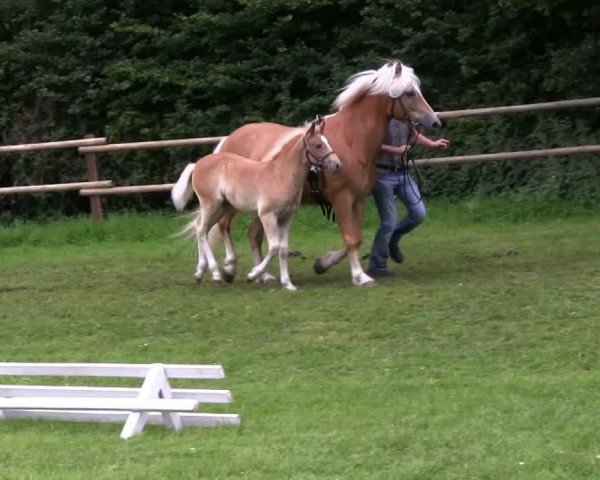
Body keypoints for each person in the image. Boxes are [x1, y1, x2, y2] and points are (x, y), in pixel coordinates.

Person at [367, 119, 450, 277]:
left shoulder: (407, 118)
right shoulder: (380, 118)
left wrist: (432, 144)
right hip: (382, 174)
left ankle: (392, 239)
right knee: (388, 222)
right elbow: (370, 144)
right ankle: (377, 266)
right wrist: (396, 151)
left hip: (403, 173)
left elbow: (413, 136)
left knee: (419, 214)